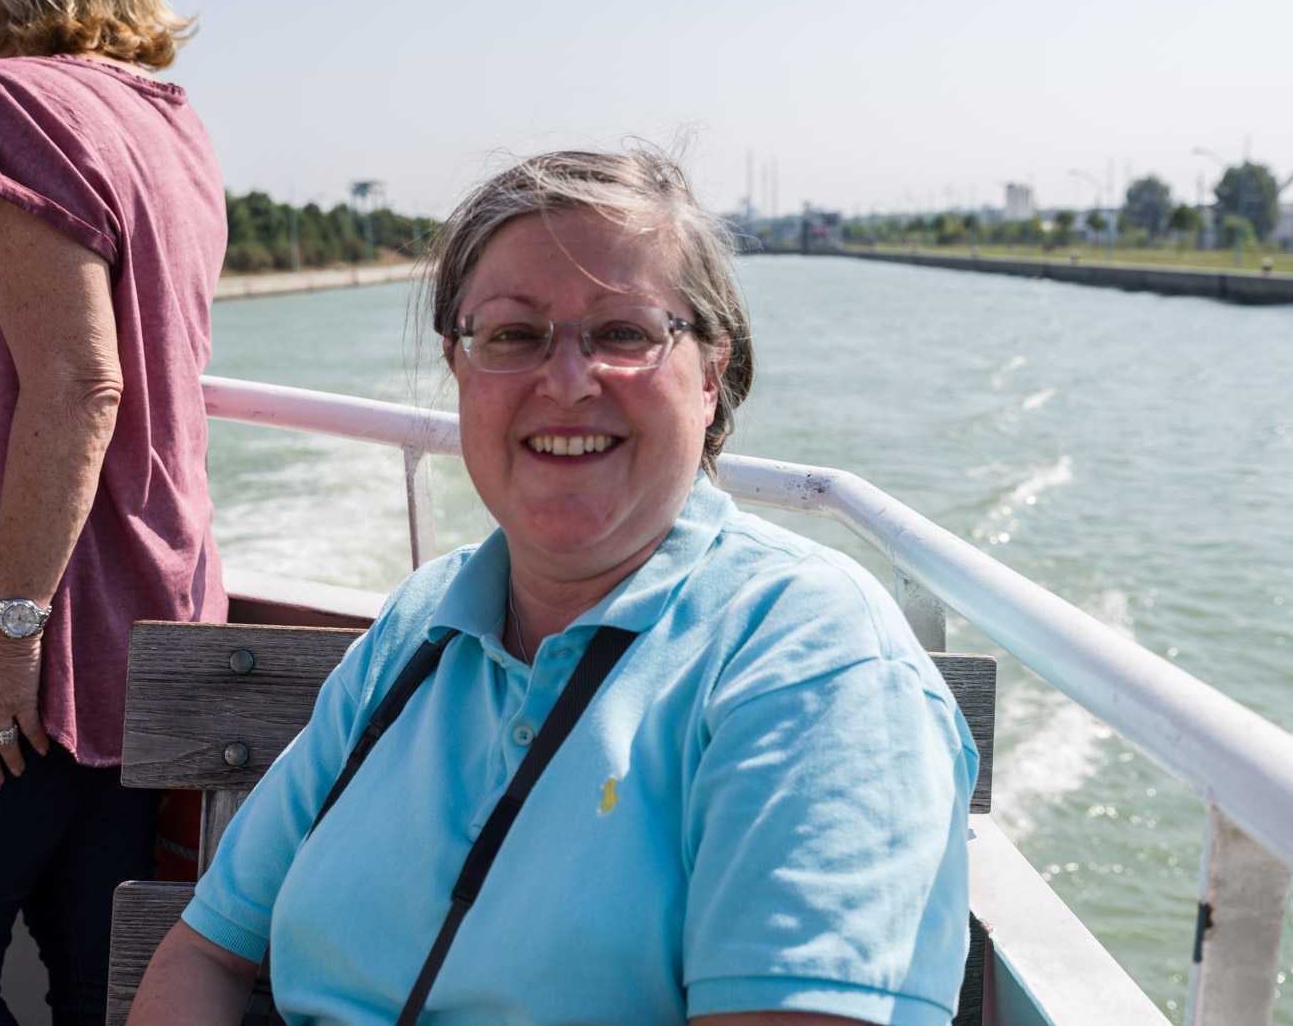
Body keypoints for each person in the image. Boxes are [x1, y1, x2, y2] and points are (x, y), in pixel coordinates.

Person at [130, 150, 977, 1025]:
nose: (567, 382)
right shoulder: (419, 625)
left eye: (624, 332)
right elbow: (207, 949)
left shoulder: (809, 659)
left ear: (710, 375)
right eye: (511, 335)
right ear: (459, 368)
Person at [0, 0, 226, 1023]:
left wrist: (4, 629)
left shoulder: (9, 102)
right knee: (96, 984)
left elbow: (81, 383)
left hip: (15, 651)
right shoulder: (167, 120)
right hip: (139, 627)